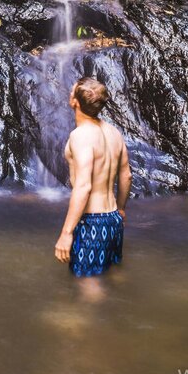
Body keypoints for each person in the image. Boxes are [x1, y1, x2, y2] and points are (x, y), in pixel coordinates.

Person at [53, 77, 131, 277]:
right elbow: (126, 176)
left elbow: (83, 187)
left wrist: (66, 233)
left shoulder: (81, 136)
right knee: (112, 274)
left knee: (88, 284)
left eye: (71, 92)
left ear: (75, 102)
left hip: (92, 222)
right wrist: (120, 209)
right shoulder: (114, 133)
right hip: (113, 218)